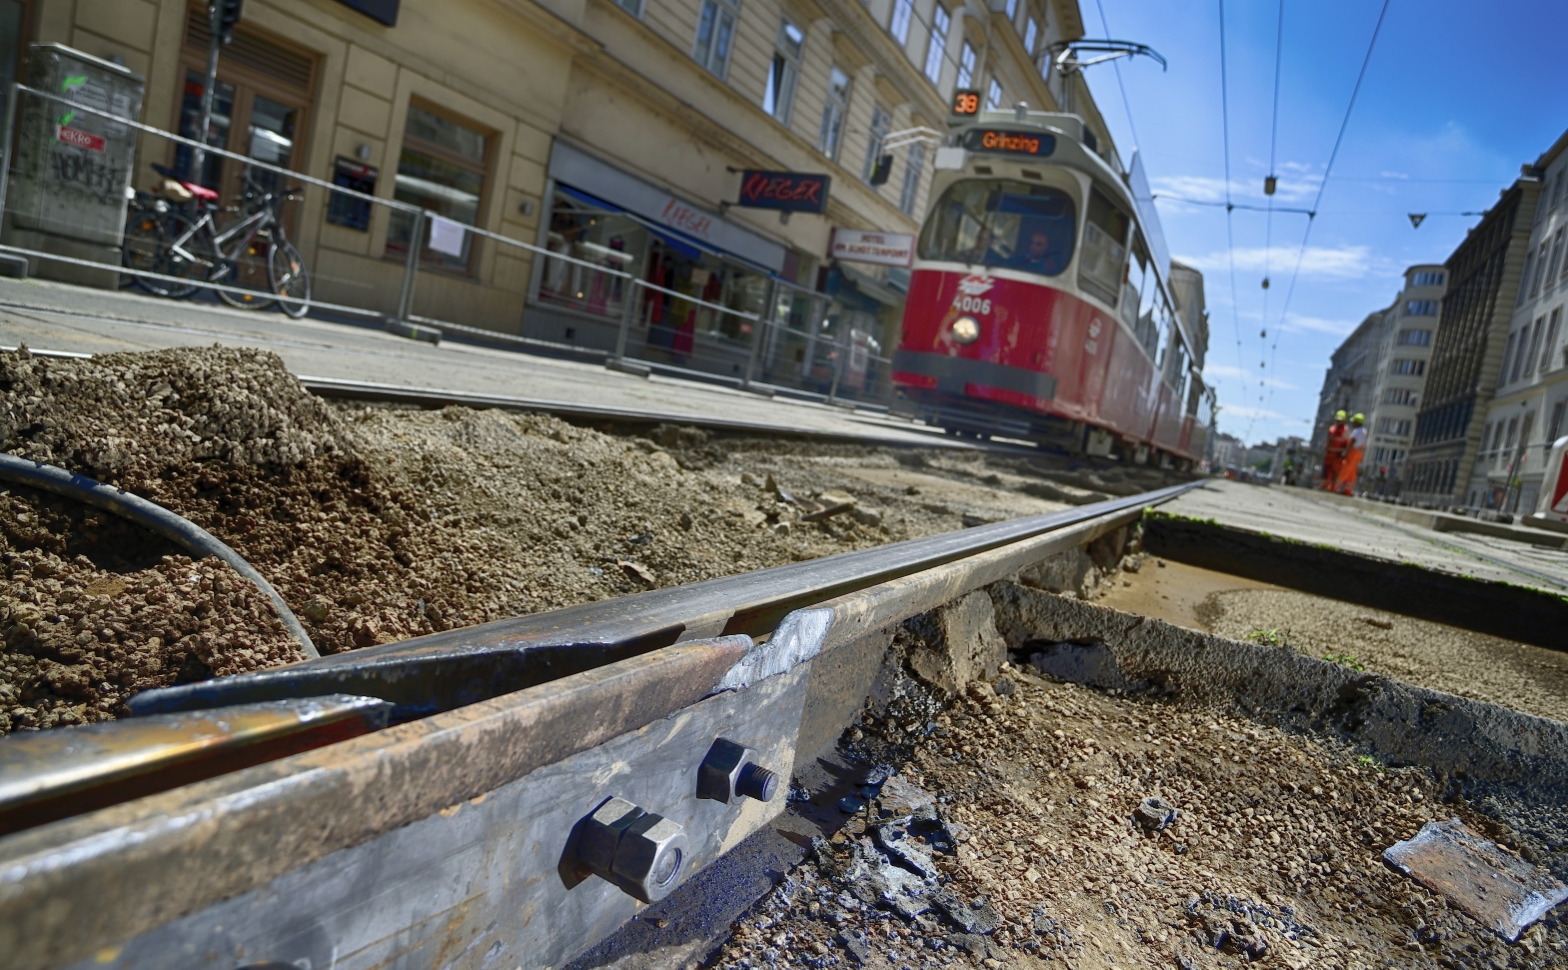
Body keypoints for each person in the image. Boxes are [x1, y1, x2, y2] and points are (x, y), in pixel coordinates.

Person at [1336, 413, 1367, 495]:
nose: (1352, 423)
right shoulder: (1364, 431)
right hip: (1359, 454)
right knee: (1352, 473)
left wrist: (1345, 452)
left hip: (1353, 453)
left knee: (1344, 470)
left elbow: (1352, 442)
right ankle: (1348, 490)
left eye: (1354, 422)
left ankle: (1334, 487)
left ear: (1356, 422)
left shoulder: (1357, 431)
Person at [1321, 410, 1348, 490]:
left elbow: (1346, 442)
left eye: (1341, 420)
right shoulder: (1332, 428)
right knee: (1327, 469)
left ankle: (1332, 486)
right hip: (1329, 453)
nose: (1339, 421)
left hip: (1338, 454)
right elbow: (1329, 440)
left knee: (1335, 470)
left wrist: (1343, 452)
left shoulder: (1345, 430)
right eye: (1338, 419)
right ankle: (1326, 485)